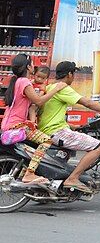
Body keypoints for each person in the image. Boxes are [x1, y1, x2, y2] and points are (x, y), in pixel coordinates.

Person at [37, 60, 100, 193]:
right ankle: (73, 178)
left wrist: (72, 126)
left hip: (48, 130)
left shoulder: (50, 87)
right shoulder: (63, 87)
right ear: (70, 74)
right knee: (98, 146)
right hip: (56, 132)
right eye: (74, 74)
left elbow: (50, 114)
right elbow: (88, 103)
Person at [0, 55, 66, 184]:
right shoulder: (24, 81)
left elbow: (31, 106)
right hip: (18, 126)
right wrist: (56, 89)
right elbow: (39, 101)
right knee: (46, 140)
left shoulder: (17, 81)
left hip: (8, 125)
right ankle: (29, 173)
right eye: (32, 64)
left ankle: (26, 171)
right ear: (29, 67)